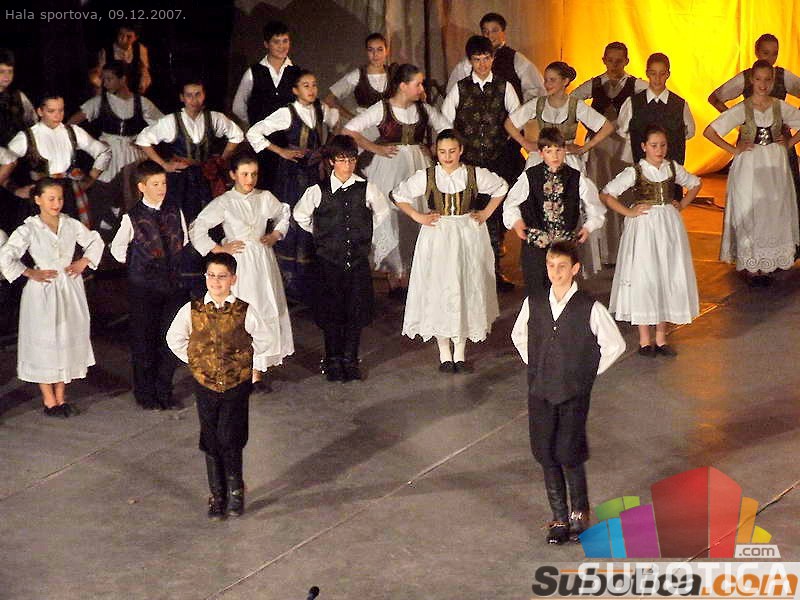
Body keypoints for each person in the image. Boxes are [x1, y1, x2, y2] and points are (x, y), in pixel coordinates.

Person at [511, 241, 625, 544]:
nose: (556, 272)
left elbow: (615, 345)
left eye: (562, 266)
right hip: (540, 390)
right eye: (551, 266)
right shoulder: (535, 302)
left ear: (575, 269)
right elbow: (519, 334)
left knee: (569, 451)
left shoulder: (589, 307)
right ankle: (559, 516)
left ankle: (579, 514)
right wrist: (537, 364)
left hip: (572, 393)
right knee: (546, 451)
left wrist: (585, 373)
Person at [166, 252, 277, 520]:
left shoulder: (243, 310)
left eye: (222, 276)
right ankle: (217, 494)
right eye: (212, 276)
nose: (216, 281)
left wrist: (243, 360)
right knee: (211, 436)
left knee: (231, 436)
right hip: (205, 384)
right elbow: (174, 338)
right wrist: (197, 362)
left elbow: (265, 339)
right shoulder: (192, 310)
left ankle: (236, 490)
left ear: (233, 279)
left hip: (236, 383)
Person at [393, 129, 508, 372]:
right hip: (438, 234)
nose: (447, 156)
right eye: (443, 151)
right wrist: (418, 216)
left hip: (467, 234)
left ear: (461, 150)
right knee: (440, 288)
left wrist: (486, 212)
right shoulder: (428, 176)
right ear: (436, 152)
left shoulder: (473, 174)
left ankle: (461, 353)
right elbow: (399, 195)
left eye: (452, 151)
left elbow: (501, 187)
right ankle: (445, 352)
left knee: (465, 287)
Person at [293, 135, 395, 382]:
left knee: (355, 313)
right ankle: (333, 360)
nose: (347, 165)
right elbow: (300, 216)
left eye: (351, 159)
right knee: (331, 313)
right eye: (341, 160)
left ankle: (350, 359)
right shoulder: (317, 191)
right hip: (328, 263)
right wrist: (323, 235)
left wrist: (364, 234)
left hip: (356, 262)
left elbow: (382, 213)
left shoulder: (367, 188)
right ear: (331, 161)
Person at [342, 63, 450, 296]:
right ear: (403, 86)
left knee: (416, 215)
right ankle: (394, 274)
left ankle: (411, 274)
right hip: (390, 168)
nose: (422, 89)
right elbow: (349, 130)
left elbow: (446, 129)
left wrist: (435, 147)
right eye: (418, 84)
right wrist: (374, 148)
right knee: (390, 216)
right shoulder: (383, 108)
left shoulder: (423, 109)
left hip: (418, 166)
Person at [0, 178, 104, 417]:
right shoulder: (29, 228)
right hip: (43, 290)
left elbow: (94, 241)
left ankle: (61, 396)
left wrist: (84, 261)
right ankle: (49, 400)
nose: (56, 203)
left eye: (60, 198)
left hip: (69, 287)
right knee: (46, 341)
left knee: (66, 338)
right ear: (38, 200)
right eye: (51, 199)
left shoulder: (70, 224)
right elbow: (6, 255)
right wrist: (29, 271)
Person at [189, 152, 294, 390]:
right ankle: (235, 370)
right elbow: (198, 227)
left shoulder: (264, 197)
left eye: (254, 174)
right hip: (239, 263)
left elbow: (283, 213)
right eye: (244, 174)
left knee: (263, 309)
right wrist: (218, 249)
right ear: (233, 175)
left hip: (262, 262)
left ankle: (256, 374)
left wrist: (276, 234)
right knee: (239, 313)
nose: (250, 179)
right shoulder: (225, 202)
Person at [601, 125, 701, 354]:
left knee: (666, 273)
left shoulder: (672, 168)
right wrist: (629, 212)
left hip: (668, 227)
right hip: (644, 227)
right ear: (644, 147)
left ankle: (661, 338)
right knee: (645, 276)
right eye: (654, 145)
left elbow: (695, 183)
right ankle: (645, 339)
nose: (659, 150)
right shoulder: (635, 171)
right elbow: (606, 194)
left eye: (663, 145)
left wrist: (682, 204)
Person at [135, 79, 242, 293]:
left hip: (206, 177)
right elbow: (143, 139)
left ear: (204, 95)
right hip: (180, 181)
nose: (194, 99)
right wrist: (164, 165)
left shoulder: (214, 118)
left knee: (209, 221)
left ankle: (210, 275)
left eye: (198, 94)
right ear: (182, 98)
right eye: (189, 95)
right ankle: (181, 278)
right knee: (180, 223)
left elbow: (237, 135)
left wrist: (222, 159)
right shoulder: (171, 121)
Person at [704, 60, 800, 286]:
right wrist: (733, 150)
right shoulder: (743, 108)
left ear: (773, 82)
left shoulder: (779, 106)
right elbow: (710, 131)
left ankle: (768, 262)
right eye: (758, 79)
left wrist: (789, 142)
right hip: (749, 165)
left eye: (767, 80)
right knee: (750, 208)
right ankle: (752, 264)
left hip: (774, 165)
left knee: (772, 209)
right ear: (751, 81)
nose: (763, 84)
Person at [246, 69, 338, 304]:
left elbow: (337, 125)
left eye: (314, 85)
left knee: (315, 220)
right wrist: (281, 151)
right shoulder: (287, 113)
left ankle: (313, 285)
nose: (311, 89)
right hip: (293, 175)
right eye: (306, 85)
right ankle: (290, 285)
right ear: (295, 90)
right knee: (293, 221)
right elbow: (254, 132)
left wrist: (327, 150)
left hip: (316, 174)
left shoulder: (322, 110)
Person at [441, 35, 520, 291]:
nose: (482, 64)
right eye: (477, 59)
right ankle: (467, 274)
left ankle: (494, 272)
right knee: (467, 216)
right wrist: (454, 153)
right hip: (469, 163)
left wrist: (507, 142)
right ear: (470, 61)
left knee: (494, 217)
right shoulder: (460, 88)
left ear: (493, 59)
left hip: (497, 161)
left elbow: (518, 118)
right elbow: (445, 123)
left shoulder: (504, 87)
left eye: (486, 58)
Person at [109, 160, 189, 409]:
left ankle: (164, 390)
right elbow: (117, 249)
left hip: (173, 284)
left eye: (163, 183)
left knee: (170, 339)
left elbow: (184, 240)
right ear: (142, 187)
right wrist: (139, 264)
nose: (161, 188)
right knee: (145, 341)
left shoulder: (175, 210)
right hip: (144, 288)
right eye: (155, 184)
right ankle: (145, 394)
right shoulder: (132, 217)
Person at [708, 34, 800, 236]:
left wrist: (789, 134)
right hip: (752, 145)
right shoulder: (746, 78)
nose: (770, 58)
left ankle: (786, 243)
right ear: (757, 52)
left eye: (775, 53)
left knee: (785, 196)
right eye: (766, 53)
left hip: (779, 145)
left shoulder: (782, 76)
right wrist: (740, 121)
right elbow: (715, 98)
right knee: (751, 196)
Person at [503, 127, 605, 295]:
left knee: (563, 289)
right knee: (537, 290)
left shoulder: (575, 177)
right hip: (536, 245)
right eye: (549, 151)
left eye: (558, 150)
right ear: (541, 153)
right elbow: (510, 203)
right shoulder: (530, 176)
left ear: (565, 150)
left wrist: (588, 227)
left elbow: (595, 207)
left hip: (564, 246)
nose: (555, 156)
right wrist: (517, 222)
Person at [572, 42, 648, 265]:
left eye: (619, 61)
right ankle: (602, 252)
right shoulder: (595, 84)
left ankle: (626, 249)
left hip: (623, 149)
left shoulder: (636, 85)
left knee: (624, 195)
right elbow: (572, 101)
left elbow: (654, 97)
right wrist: (588, 122)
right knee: (599, 195)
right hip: (598, 149)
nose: (614, 65)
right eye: (610, 60)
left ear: (627, 61)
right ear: (603, 60)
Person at [68, 60, 163, 236]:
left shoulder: (140, 102)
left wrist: (143, 138)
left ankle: (135, 237)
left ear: (123, 79)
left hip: (132, 155)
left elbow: (164, 126)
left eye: (109, 79)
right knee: (101, 198)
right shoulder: (100, 102)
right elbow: (71, 123)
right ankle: (101, 239)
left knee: (133, 198)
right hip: (110, 155)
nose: (105, 83)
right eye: (103, 79)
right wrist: (89, 143)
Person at [0, 93, 111, 225]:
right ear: (40, 111)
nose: (57, 116)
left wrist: (91, 178)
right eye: (51, 111)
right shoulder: (27, 137)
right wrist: (15, 190)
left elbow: (104, 151)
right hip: (41, 197)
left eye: (61, 110)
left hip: (69, 196)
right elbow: (5, 163)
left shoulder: (73, 131)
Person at [233, 20, 301, 192]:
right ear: (266, 44)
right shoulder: (254, 72)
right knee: (261, 188)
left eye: (285, 41)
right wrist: (256, 122)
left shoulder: (296, 73)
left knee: (287, 189)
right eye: (276, 42)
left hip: (288, 143)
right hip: (262, 145)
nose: (281, 46)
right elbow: (238, 106)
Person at [617, 53, 695, 175]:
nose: (657, 79)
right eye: (653, 73)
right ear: (647, 73)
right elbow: (622, 130)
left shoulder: (680, 104)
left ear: (668, 74)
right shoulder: (632, 103)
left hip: (672, 171)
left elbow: (689, 132)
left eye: (662, 74)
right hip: (642, 171)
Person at [445, 12, 544, 103]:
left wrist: (522, 112)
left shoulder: (516, 59)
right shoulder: (468, 62)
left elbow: (536, 90)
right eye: (485, 31)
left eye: (494, 31)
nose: (489, 35)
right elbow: (453, 92)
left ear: (503, 32)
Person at [0, 48, 38, 234]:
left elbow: (33, 124)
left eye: (10, 71)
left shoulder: (18, 96)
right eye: (1, 71)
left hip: (18, 163)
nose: (6, 76)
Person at [324, 33, 394, 123]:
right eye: (370, 50)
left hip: (390, 126)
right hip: (367, 127)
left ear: (387, 51)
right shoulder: (357, 75)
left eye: (379, 49)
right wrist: (353, 118)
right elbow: (329, 99)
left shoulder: (394, 74)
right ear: (366, 52)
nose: (375, 54)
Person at [90, 24, 152, 95]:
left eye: (129, 37)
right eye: (121, 34)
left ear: (135, 38)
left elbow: (144, 71)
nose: (123, 39)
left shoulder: (140, 49)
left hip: (132, 92)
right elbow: (98, 74)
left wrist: (143, 82)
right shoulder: (106, 51)